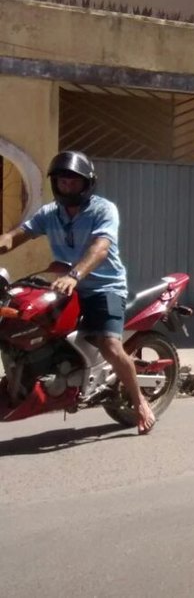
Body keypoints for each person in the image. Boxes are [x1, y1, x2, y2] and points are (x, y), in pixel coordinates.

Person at [0, 151, 156, 434]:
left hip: (102, 286)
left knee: (108, 343)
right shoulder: (50, 213)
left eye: (74, 181)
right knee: (26, 325)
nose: (67, 186)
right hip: (64, 286)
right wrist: (4, 241)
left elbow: (101, 248)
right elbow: (16, 235)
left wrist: (75, 275)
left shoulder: (103, 209)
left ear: (87, 183)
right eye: (62, 182)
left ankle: (140, 401)